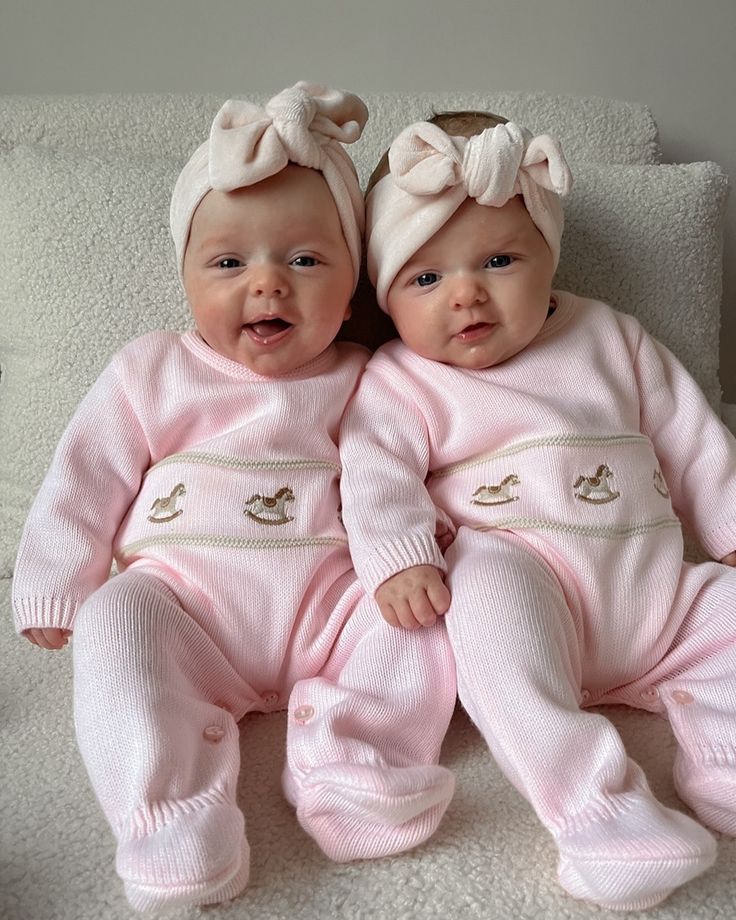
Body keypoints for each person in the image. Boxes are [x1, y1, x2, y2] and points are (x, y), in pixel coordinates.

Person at [11, 83, 456, 913]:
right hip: (186, 611)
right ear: (184, 274)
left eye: (305, 260)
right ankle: (171, 814)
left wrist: (403, 558)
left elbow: (390, 476)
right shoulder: (150, 369)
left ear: (354, 283)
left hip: (331, 610)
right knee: (116, 618)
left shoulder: (369, 377)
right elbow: (86, 475)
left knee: (425, 617)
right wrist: (55, 578)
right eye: (228, 263)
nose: (267, 286)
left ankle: (354, 763)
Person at [339, 109, 736, 910]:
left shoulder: (611, 336)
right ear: (386, 293)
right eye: (426, 278)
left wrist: (728, 531)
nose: (467, 295)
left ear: (547, 254)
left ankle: (724, 747)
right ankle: (600, 814)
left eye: (498, 259)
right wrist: (402, 555)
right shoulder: (399, 378)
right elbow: (373, 475)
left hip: (655, 591)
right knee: (479, 587)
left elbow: (692, 435)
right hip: (528, 582)